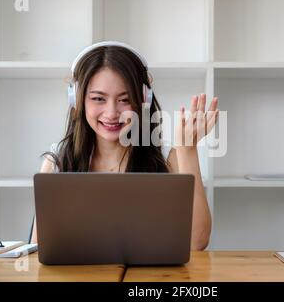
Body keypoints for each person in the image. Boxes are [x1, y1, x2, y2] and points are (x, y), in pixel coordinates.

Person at [30, 42, 219, 250]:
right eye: (98, 98)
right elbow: (39, 248)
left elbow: (197, 241)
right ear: (76, 99)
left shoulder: (167, 157)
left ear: (143, 100)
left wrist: (187, 149)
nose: (111, 113)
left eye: (124, 99)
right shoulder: (58, 161)